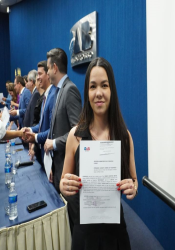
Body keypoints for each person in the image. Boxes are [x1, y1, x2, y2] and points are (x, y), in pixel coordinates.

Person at [59, 57, 138, 249]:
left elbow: (133, 180)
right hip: (84, 231)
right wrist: (64, 185)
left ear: (112, 90)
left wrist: (133, 187)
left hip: (115, 231)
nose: (99, 93)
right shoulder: (74, 136)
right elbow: (63, 180)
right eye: (93, 86)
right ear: (87, 92)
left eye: (104, 85)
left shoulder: (124, 136)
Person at [44, 48, 82, 192]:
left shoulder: (70, 90)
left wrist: (53, 143)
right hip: (58, 164)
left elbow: (78, 133)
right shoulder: (58, 90)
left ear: (54, 68)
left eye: (48, 68)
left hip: (67, 169)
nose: (47, 73)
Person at [23, 60, 57, 164]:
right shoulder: (46, 96)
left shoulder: (53, 96)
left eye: (40, 74)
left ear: (48, 75)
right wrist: (30, 129)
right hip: (44, 154)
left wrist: (35, 137)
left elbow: (53, 130)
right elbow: (41, 125)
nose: (37, 78)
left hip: (51, 155)